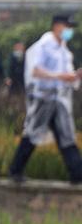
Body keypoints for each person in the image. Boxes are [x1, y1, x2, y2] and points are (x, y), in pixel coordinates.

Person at [9, 14, 82, 184]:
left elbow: (67, 74)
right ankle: (15, 170)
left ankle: (77, 175)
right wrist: (60, 76)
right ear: (57, 26)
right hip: (43, 99)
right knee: (33, 133)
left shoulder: (64, 50)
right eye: (67, 26)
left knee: (67, 136)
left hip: (60, 100)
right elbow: (36, 71)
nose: (69, 30)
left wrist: (75, 76)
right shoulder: (43, 45)